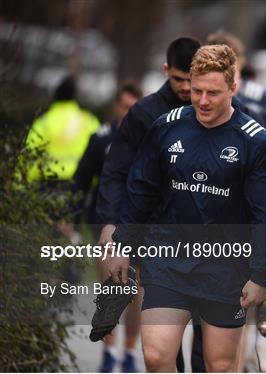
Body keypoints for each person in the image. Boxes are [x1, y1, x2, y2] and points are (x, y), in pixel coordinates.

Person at [107, 44, 266, 372]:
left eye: (213, 93)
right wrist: (122, 244)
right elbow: (141, 191)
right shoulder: (166, 127)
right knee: (156, 355)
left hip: (226, 270)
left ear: (232, 88)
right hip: (168, 262)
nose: (201, 101)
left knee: (220, 365)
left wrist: (259, 274)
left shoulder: (254, 141)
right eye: (196, 91)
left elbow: (262, 214)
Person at [95, 36, 202, 372]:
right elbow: (115, 173)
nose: (187, 88)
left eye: (192, 79)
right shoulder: (144, 114)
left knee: (207, 336)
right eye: (179, 80)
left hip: (209, 239)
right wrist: (111, 225)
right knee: (164, 341)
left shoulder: (217, 108)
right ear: (165, 70)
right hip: (159, 240)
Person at [72, 83, 142, 372]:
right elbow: (80, 181)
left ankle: (128, 353)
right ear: (116, 107)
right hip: (106, 225)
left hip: (139, 225)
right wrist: (73, 222)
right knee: (111, 288)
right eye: (124, 107)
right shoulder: (101, 139)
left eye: (133, 108)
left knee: (137, 294)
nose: (128, 113)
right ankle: (110, 352)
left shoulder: (149, 137)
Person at [206, 30, 266, 141]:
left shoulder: (258, 96)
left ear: (241, 63)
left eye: (229, 63)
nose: (222, 69)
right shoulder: (197, 96)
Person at [26, 76, 100, 182]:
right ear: (74, 96)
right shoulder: (89, 121)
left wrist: (23, 185)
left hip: (48, 183)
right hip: (80, 182)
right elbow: (100, 152)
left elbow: (29, 155)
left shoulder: (44, 122)